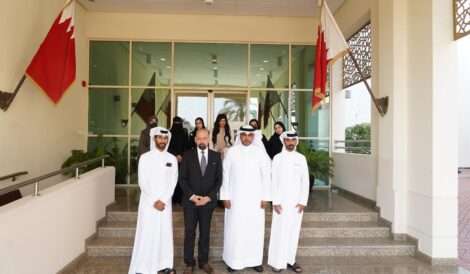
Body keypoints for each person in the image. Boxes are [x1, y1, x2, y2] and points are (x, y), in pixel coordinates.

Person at [220, 125, 271, 273]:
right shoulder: (231, 152)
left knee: (255, 229)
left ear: (253, 137)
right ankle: (233, 261)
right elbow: (226, 175)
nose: (246, 138)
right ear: (240, 136)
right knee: (235, 229)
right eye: (244, 135)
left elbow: (266, 176)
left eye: (249, 135)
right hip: (235, 200)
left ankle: (255, 260)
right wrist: (225, 196)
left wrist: (265, 197)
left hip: (255, 200)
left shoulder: (260, 153)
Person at [128, 127, 178, 274]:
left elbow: (173, 181)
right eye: (159, 138)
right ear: (154, 139)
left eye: (165, 138)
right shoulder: (145, 158)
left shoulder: (172, 159)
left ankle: (164, 265)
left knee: (164, 234)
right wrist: (154, 200)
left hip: (165, 204)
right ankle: (143, 267)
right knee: (147, 233)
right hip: (149, 204)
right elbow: (142, 182)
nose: (162, 141)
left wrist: (163, 199)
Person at [179, 128, 223, 274]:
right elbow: (182, 179)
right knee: (190, 232)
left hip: (207, 203)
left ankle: (203, 262)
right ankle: (189, 262)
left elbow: (218, 180)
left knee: (205, 233)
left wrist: (208, 198)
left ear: (208, 139)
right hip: (190, 202)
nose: (202, 141)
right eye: (199, 138)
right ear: (195, 140)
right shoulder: (187, 155)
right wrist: (192, 196)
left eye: (205, 138)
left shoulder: (216, 156)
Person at [268, 131, 310, 273]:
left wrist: (303, 201)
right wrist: (275, 201)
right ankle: (277, 262)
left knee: (293, 232)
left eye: (293, 140)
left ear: (296, 141)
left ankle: (291, 260)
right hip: (281, 202)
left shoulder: (301, 158)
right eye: (288, 140)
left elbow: (305, 181)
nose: (290, 142)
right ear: (283, 141)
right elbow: (273, 181)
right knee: (279, 232)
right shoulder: (277, 158)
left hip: (297, 203)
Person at [168, 116, 190, 204]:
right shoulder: (169, 133)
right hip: (172, 160)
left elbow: (186, 145)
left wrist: (181, 155)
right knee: (172, 179)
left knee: (181, 179)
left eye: (179, 123)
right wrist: (175, 155)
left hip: (182, 160)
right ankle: (173, 199)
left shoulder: (184, 132)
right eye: (175, 123)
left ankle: (181, 199)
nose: (177, 125)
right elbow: (168, 146)